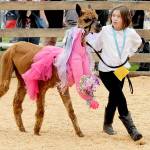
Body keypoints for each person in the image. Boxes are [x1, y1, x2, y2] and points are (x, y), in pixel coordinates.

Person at [93, 6, 143, 141]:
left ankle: (107, 123)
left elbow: (139, 43)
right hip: (106, 70)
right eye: (113, 16)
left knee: (114, 96)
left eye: (118, 16)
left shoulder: (131, 33)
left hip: (122, 69)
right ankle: (132, 129)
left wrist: (130, 53)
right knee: (119, 95)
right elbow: (97, 46)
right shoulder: (105, 30)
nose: (114, 18)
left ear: (125, 18)